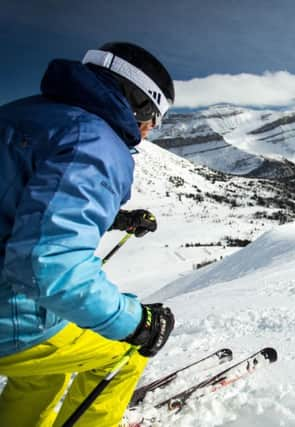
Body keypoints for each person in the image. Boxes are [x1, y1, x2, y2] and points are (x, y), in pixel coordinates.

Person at [0, 42, 176, 426]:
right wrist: (137, 324)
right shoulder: (95, 141)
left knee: (45, 372)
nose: (147, 133)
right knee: (125, 354)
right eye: (154, 120)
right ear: (139, 104)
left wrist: (117, 219)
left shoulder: (23, 112)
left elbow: (25, 199)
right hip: (8, 319)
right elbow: (46, 266)